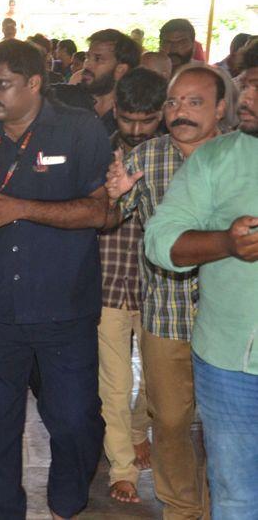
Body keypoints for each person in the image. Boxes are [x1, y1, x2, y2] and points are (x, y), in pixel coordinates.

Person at [0, 39, 112, 519]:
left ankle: (66, 503)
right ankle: (5, 509)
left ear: (34, 83)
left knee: (76, 419)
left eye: (3, 85)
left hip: (63, 307)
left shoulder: (79, 131)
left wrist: (20, 209)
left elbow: (99, 211)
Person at [104, 64, 229, 520]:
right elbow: (111, 219)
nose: (181, 112)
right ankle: (182, 508)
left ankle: (228, 504)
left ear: (220, 109)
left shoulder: (240, 158)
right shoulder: (147, 157)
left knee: (227, 424)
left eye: (195, 103)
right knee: (172, 422)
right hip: (166, 314)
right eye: (174, 103)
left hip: (232, 318)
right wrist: (114, 198)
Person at [144, 43, 258, 520]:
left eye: (257, 87)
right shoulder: (216, 159)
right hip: (230, 359)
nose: (246, 96)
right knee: (235, 495)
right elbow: (160, 240)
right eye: (246, 83)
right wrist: (226, 244)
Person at [96, 67, 166, 505]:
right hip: (106, 283)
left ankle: (139, 431)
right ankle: (121, 468)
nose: (137, 130)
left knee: (159, 384)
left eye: (148, 120)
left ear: (163, 112)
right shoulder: (98, 154)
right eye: (128, 120)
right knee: (115, 383)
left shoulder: (174, 158)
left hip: (162, 288)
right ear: (114, 109)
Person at [79, 29, 141, 133]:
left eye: (97, 59)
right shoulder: (66, 99)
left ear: (120, 70)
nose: (87, 65)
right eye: (87, 57)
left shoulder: (134, 115)